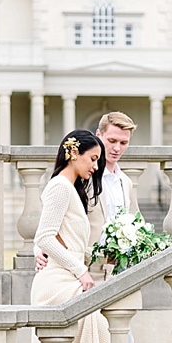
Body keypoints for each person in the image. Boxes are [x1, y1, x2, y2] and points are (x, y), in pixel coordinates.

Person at [17, 129, 111, 343]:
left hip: (64, 277)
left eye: (98, 161)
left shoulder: (71, 190)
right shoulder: (59, 186)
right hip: (58, 284)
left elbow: (57, 238)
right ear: (74, 153)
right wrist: (81, 271)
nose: (96, 167)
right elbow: (43, 237)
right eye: (93, 158)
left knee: (92, 334)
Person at [36, 112, 137, 276]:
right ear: (98, 135)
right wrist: (39, 250)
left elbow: (135, 224)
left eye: (123, 142)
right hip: (83, 271)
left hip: (117, 272)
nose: (117, 148)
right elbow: (49, 222)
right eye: (111, 141)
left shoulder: (126, 182)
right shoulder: (81, 177)